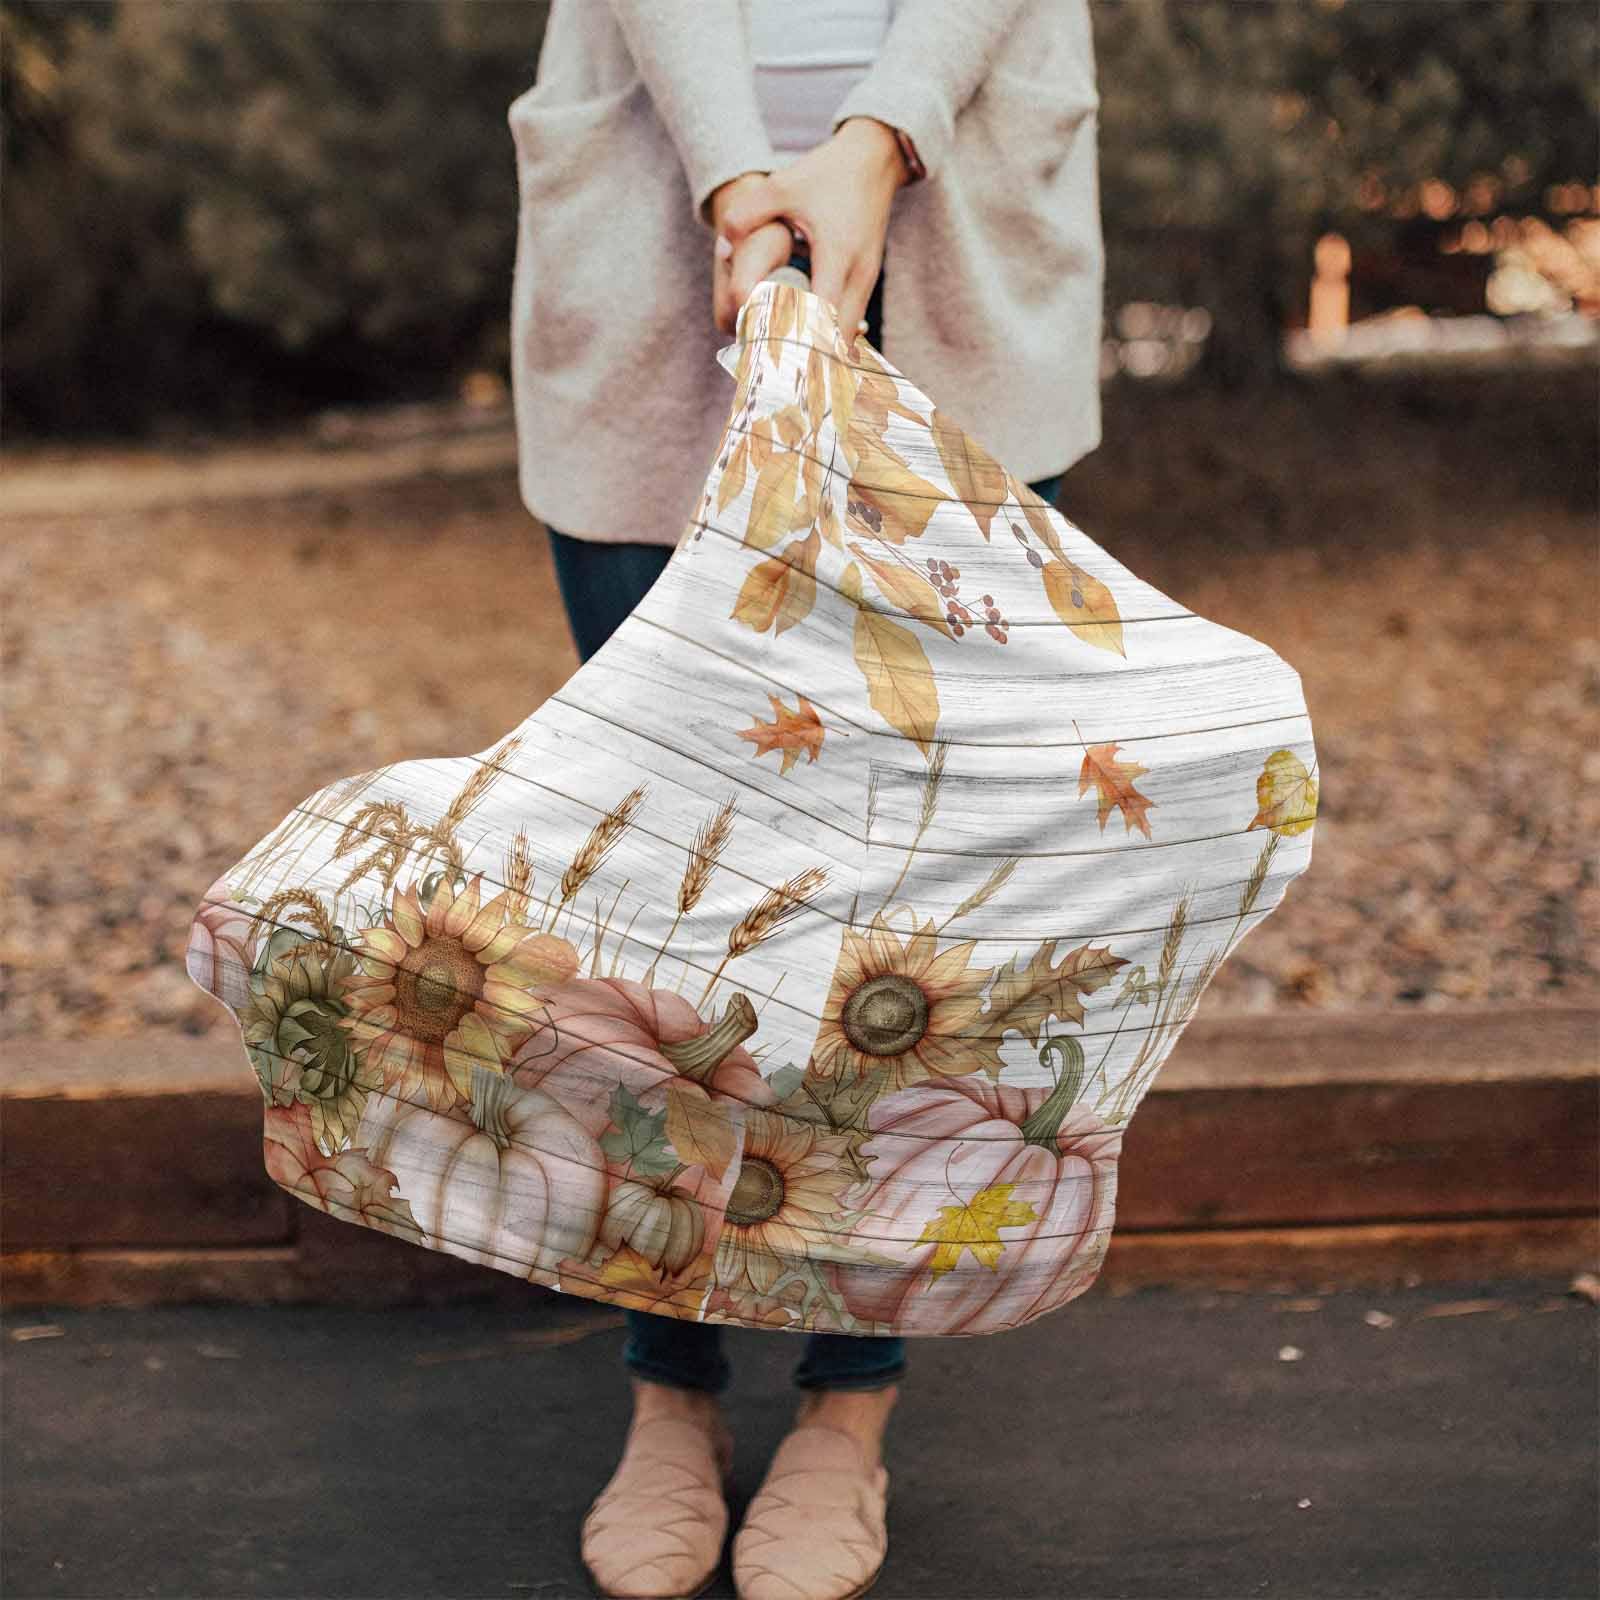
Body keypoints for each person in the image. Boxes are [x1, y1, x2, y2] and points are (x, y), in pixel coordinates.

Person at [505, 4, 1104, 1596]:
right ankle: (671, 1388)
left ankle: (848, 1405)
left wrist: (876, 137)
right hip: (657, 228)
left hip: (958, 226)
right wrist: (733, 177)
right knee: (669, 886)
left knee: (903, 899)